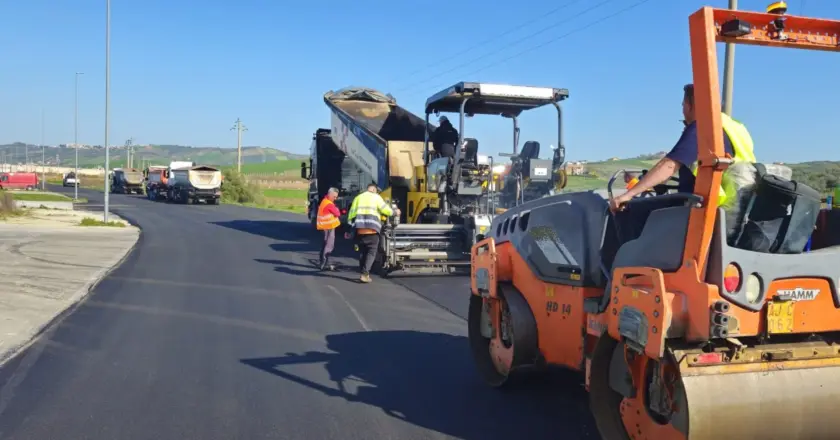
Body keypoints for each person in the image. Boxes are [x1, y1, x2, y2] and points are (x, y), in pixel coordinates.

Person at [609, 84, 756, 213]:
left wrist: (628, 195)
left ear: (691, 105)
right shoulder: (735, 127)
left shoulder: (703, 127)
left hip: (701, 208)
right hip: (732, 208)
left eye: (683, 105)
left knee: (631, 213)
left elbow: (669, 165)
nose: (683, 111)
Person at [346, 183, 400, 283]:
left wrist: (350, 229)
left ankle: (362, 271)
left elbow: (351, 214)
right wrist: (395, 212)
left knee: (363, 252)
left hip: (359, 229)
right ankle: (365, 274)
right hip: (372, 229)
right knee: (371, 252)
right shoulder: (376, 197)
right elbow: (386, 210)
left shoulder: (358, 197)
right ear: (374, 190)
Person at [316, 187, 341, 271]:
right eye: (334, 196)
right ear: (330, 194)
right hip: (328, 227)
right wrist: (336, 208)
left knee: (325, 244)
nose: (335, 198)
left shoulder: (324, 201)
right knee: (329, 245)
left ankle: (322, 262)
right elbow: (337, 213)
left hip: (324, 227)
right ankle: (324, 263)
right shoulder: (329, 204)